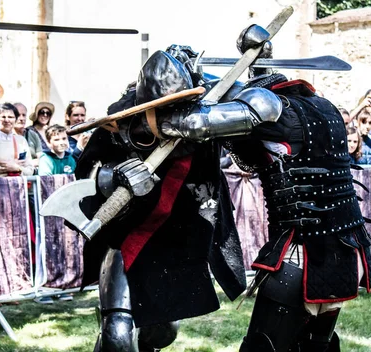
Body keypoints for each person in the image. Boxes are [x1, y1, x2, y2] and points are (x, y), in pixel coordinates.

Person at [76, 45, 246, 351]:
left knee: (162, 331)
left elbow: (254, 125)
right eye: (166, 107)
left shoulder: (207, 116)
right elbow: (87, 172)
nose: (173, 116)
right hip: (128, 235)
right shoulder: (122, 120)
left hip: (175, 239)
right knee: (117, 333)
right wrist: (114, 176)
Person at [0, 103, 35, 177]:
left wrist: (17, 168)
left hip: (18, 185)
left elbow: (30, 170)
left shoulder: (21, 140)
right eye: (3, 117)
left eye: (10, 117)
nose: (7, 120)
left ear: (16, 119)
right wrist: (6, 168)